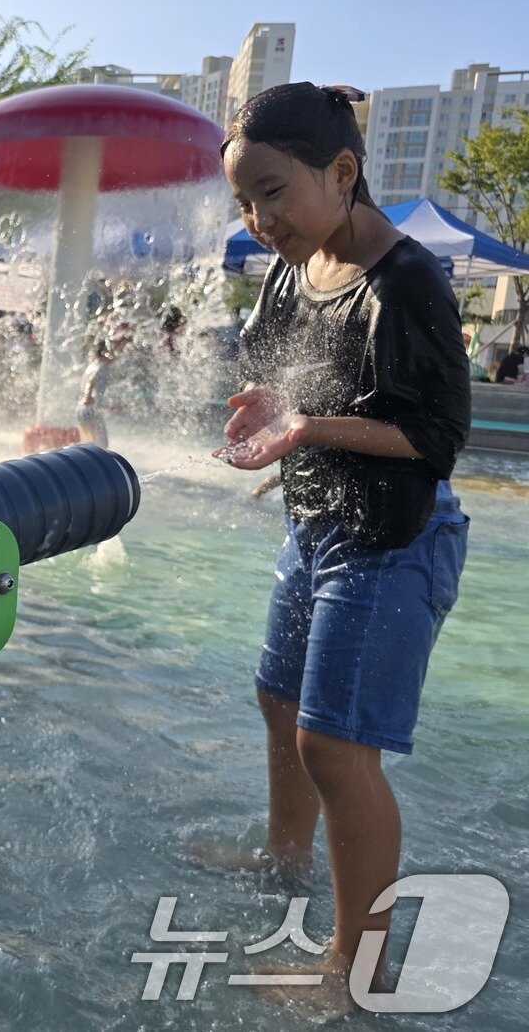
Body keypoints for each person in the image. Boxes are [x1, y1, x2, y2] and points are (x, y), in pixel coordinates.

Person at [209, 82, 471, 1013]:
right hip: (318, 523)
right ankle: (285, 860)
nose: (259, 217)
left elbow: (436, 439)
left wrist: (306, 427)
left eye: (274, 192)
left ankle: (353, 977)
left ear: (344, 171)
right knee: (279, 699)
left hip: (394, 538)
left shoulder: (407, 284)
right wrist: (268, 424)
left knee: (336, 747)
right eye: (246, 200)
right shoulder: (295, 267)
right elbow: (281, 383)